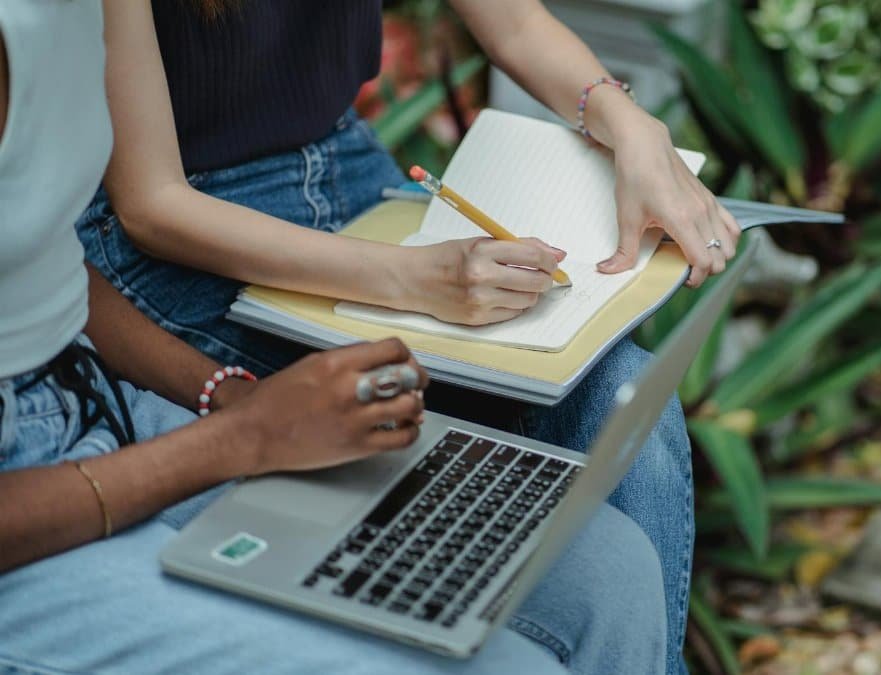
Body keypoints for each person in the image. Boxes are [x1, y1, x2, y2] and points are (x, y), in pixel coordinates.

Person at [0, 2, 668, 673]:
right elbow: (143, 204)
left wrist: (225, 395)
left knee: (613, 566)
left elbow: (56, 269)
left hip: (85, 390)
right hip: (42, 478)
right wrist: (238, 437)